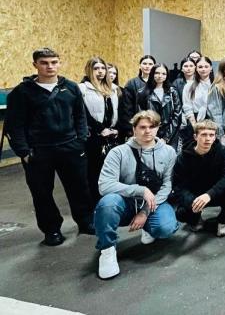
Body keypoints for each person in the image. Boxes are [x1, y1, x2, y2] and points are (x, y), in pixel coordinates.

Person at [6, 48, 94, 246]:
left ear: (59, 63)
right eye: (44, 63)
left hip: (71, 147)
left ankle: (85, 221)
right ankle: (52, 230)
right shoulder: (22, 92)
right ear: (35, 65)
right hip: (39, 151)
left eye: (54, 62)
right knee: (42, 193)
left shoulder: (70, 88)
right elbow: (15, 125)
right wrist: (24, 152)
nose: (50, 67)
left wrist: (80, 141)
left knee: (80, 188)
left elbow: (80, 116)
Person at [94, 110, 178, 280]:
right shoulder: (118, 152)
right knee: (107, 203)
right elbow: (104, 185)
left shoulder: (169, 152)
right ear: (134, 129)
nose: (148, 131)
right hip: (125, 202)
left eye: (152, 127)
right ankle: (107, 250)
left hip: (153, 203)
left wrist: (145, 212)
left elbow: (167, 186)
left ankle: (149, 228)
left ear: (157, 128)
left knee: (166, 227)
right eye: (142, 127)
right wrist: (140, 190)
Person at [171, 120, 225, 237]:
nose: (208, 139)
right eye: (203, 135)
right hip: (195, 196)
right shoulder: (183, 157)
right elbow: (178, 185)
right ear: (195, 137)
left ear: (215, 137)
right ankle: (196, 219)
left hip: (214, 193)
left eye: (211, 135)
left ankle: (223, 219)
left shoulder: (222, 151)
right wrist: (192, 201)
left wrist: (209, 194)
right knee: (181, 214)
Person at [79, 57, 120, 206]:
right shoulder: (82, 88)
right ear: (89, 70)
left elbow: (116, 111)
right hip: (94, 135)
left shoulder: (113, 88)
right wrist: (101, 129)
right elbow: (82, 113)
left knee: (111, 169)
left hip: (111, 135)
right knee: (94, 171)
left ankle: (110, 199)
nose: (100, 71)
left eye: (103, 68)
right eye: (96, 68)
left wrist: (116, 129)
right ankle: (95, 202)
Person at [137, 63, 182, 150]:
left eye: (163, 73)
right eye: (157, 73)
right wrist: (153, 134)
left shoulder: (172, 91)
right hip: (150, 132)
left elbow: (177, 115)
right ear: (152, 74)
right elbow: (141, 116)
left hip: (171, 134)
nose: (160, 76)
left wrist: (166, 137)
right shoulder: (142, 92)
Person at [119, 55, 156, 138]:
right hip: (137, 126)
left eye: (150, 64)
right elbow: (127, 108)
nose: (147, 66)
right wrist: (131, 129)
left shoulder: (159, 83)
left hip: (155, 125)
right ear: (140, 66)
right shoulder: (131, 83)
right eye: (144, 63)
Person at [182, 56, 213, 148]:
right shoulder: (189, 86)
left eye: (206, 66)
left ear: (211, 68)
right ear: (196, 68)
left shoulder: (215, 85)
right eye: (200, 67)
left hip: (212, 120)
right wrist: (195, 125)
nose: (203, 69)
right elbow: (187, 106)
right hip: (194, 120)